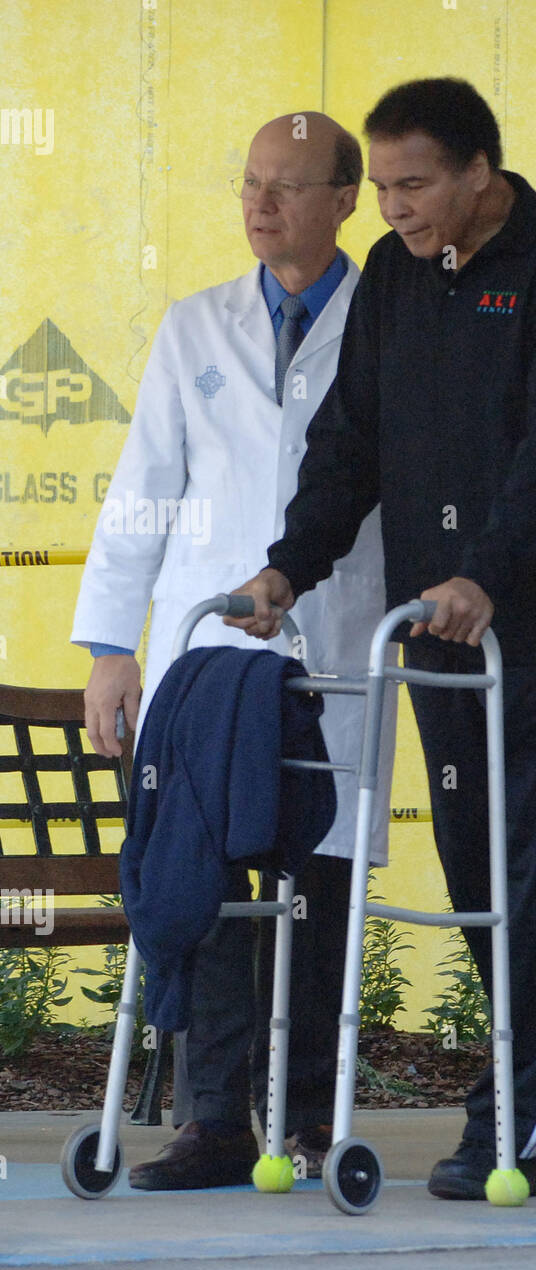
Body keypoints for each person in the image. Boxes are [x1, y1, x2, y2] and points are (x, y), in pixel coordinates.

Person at [229, 77, 536, 1199]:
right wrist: (287, 568)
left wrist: (488, 572)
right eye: (379, 187)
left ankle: (519, 1121)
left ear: (480, 173)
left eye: (414, 184)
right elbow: (348, 444)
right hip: (437, 632)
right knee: (477, 875)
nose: (393, 208)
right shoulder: (397, 284)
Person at [72, 111, 395, 1189]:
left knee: (319, 868)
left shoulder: (390, 323)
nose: (260, 205)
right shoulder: (191, 326)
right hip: (205, 647)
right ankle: (210, 1119)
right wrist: (113, 645)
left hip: (336, 637)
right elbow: (141, 490)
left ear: (346, 197)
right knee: (199, 865)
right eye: (250, 183)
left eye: (288, 187)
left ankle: (306, 1116)